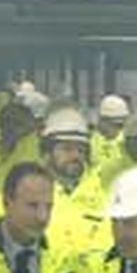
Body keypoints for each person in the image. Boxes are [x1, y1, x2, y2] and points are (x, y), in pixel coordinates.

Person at [35, 107, 111, 259]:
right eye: (67, 149)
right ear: (47, 152)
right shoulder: (27, 193)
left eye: (80, 150)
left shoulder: (103, 197)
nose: (75, 156)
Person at [91, 94, 132, 168]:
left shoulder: (128, 142)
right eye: (115, 125)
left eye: (120, 126)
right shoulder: (91, 144)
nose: (117, 130)